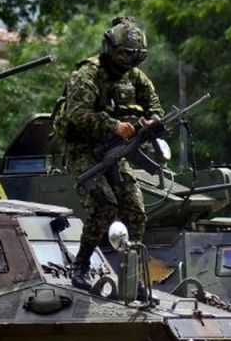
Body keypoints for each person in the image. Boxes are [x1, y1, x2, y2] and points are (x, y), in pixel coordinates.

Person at [60, 16, 163, 290]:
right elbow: (77, 113)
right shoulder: (88, 74)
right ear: (110, 48)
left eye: (135, 56)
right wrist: (115, 126)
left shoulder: (134, 76)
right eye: (124, 54)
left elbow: (154, 104)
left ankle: (132, 277)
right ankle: (81, 263)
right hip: (83, 150)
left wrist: (152, 120)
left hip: (115, 151)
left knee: (135, 210)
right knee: (105, 206)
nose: (128, 61)